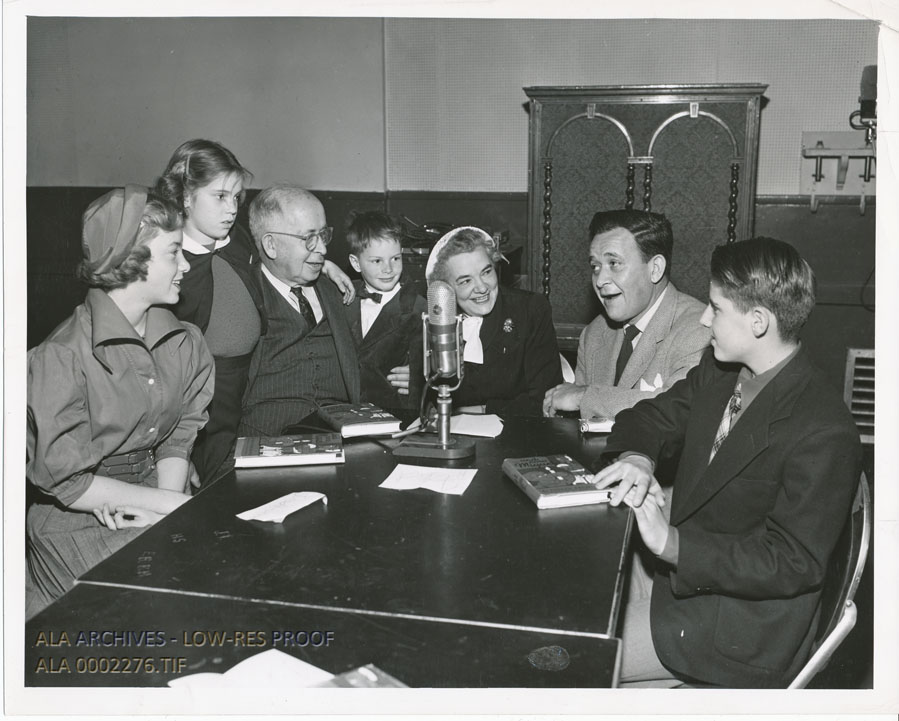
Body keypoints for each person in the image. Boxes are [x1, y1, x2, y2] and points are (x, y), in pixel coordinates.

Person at [593, 237, 862, 688]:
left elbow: (792, 562)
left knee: (569, 655)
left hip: (740, 625)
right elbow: (650, 416)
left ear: (758, 322)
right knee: (570, 597)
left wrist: (673, 545)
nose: (703, 318)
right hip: (691, 573)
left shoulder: (824, 429)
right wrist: (638, 459)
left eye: (716, 308)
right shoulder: (720, 372)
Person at [26, 185, 215, 617]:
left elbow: (177, 438)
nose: (186, 265)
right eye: (174, 252)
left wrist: (164, 509)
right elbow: (69, 483)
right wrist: (175, 510)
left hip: (159, 493)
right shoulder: (61, 356)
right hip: (81, 516)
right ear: (132, 260)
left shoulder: (184, 342)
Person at [154, 139, 354, 484]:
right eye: (220, 197)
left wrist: (323, 264)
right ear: (185, 196)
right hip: (199, 413)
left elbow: (279, 249)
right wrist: (178, 454)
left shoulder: (238, 241)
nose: (231, 209)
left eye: (236, 198)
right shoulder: (172, 268)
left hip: (239, 407)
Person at [543, 209, 709, 420]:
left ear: (655, 269)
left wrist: (585, 397)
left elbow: (678, 410)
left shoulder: (699, 331)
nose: (600, 280)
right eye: (595, 266)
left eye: (614, 264)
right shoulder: (594, 334)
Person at [239, 185, 362, 436]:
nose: (323, 249)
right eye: (309, 239)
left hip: (340, 435)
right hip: (267, 440)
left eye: (323, 235)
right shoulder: (243, 295)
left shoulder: (335, 290)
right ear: (271, 245)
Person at [424, 226, 562, 416]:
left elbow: (546, 399)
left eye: (486, 272)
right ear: (446, 289)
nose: (482, 288)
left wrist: (475, 411)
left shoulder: (530, 310)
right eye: (465, 281)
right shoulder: (436, 323)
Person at [344, 210, 427, 414]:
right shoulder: (342, 297)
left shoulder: (419, 308)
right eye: (377, 261)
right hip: (345, 411)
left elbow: (437, 363)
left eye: (395, 259)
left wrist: (422, 376)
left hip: (396, 412)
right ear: (356, 263)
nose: (388, 269)